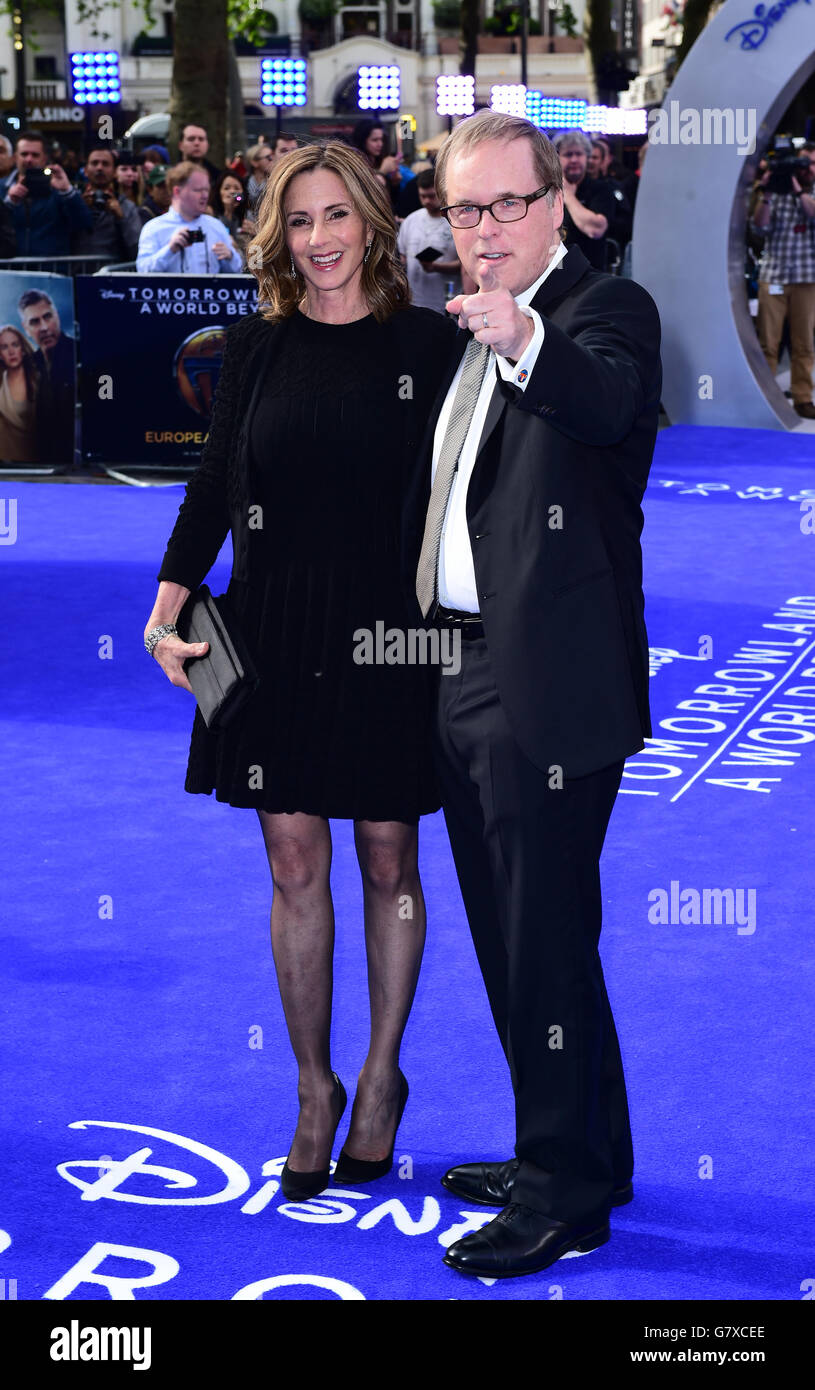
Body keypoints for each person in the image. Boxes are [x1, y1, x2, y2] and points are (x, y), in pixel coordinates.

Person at [143, 141, 455, 1201]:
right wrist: (169, 598)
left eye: (338, 216)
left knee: (384, 856)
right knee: (290, 862)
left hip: (385, 635)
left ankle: (379, 1075)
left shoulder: (428, 345)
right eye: (302, 221)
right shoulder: (255, 346)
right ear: (280, 234)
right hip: (272, 629)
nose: (320, 240)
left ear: (371, 222)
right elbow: (216, 481)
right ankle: (313, 1086)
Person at [408, 109, 661, 1278]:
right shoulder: (465, 323)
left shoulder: (603, 312)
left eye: (510, 203)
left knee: (542, 938)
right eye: (466, 210)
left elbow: (605, 407)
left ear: (559, 202)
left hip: (548, 689)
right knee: (515, 937)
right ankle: (573, 1147)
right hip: (459, 671)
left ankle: (562, 1188)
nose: (488, 229)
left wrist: (520, 336)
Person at [751, 142, 815, 418]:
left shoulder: (810, 193)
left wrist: (799, 191)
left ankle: (802, 398)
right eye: (804, 164)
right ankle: (766, 399)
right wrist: (766, 192)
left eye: (812, 164)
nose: (809, 169)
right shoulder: (774, 193)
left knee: (804, 343)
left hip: (806, 278)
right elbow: (758, 226)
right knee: (768, 343)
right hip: (774, 278)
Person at [136, 162, 244, 274]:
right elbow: (143, 270)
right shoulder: (154, 228)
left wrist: (230, 257)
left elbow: (238, 271)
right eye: (198, 190)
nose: (205, 195)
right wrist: (169, 250)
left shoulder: (216, 226)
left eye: (206, 190)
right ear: (177, 191)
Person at [2, 129, 92, 258]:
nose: (29, 159)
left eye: (35, 155)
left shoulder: (58, 188)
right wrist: (8, 203)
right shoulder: (3, 188)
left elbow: (84, 224)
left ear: (45, 158)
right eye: (24, 154)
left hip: (51, 272)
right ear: (15, 157)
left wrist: (67, 191)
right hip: (11, 271)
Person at [18, 290, 76, 465]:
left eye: (47, 317)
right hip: (38, 458)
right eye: (35, 322)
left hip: (79, 456)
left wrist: (106, 398)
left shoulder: (81, 352)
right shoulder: (25, 366)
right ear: (26, 329)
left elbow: (108, 387)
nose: (44, 327)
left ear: (57, 317)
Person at [397, 169, 460, 312]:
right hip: (414, 302)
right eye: (422, 196)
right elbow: (403, 259)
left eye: (431, 196)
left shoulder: (455, 222)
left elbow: (466, 266)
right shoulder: (411, 220)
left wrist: (436, 267)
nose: (426, 201)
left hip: (446, 303)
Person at [554, 129, 616, 272]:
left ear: (586, 157)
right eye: (568, 154)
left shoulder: (601, 189)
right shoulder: (547, 191)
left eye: (579, 154)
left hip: (590, 273)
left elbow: (595, 229)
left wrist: (568, 196)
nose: (574, 159)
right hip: (554, 272)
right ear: (557, 158)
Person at [71, 145, 142, 263]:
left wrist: (121, 218)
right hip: (77, 275)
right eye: (94, 163)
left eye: (105, 164)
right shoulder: (75, 202)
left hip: (112, 277)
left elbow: (136, 248)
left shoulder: (127, 207)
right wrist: (79, 211)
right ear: (86, 171)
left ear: (114, 172)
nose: (99, 168)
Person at [0, 323, 39, 462]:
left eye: (15, 344)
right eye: (4, 347)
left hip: (41, 463)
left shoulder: (39, 380)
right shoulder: (0, 385)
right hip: (6, 467)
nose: (11, 351)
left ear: (22, 348)